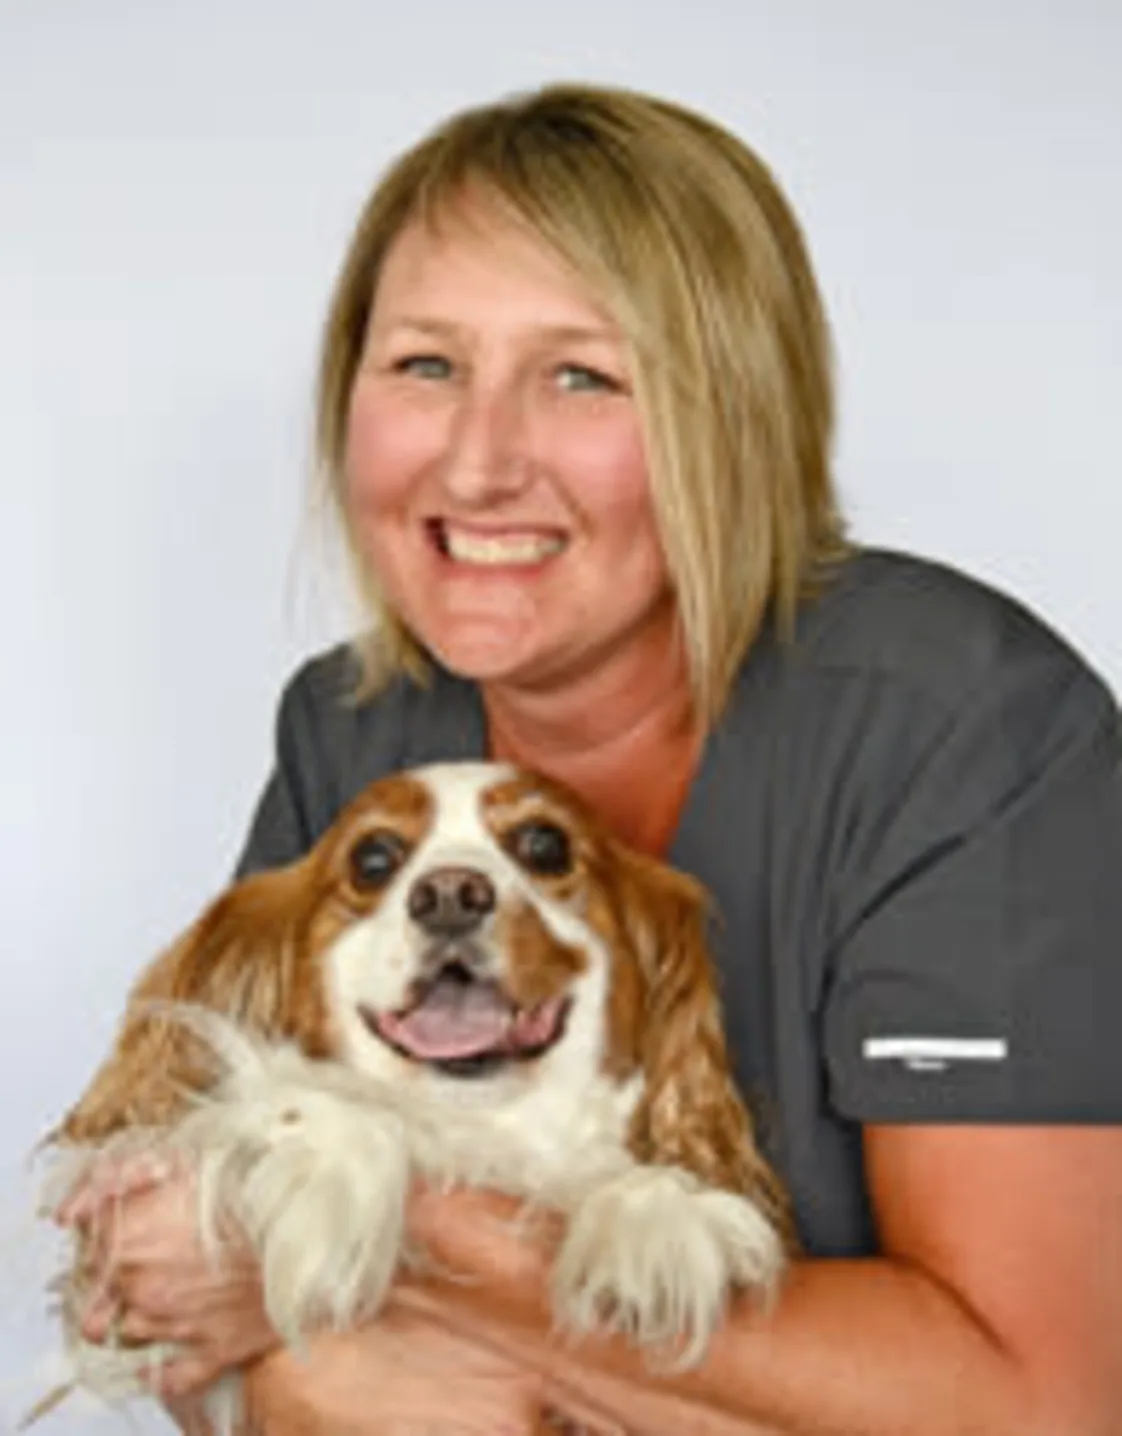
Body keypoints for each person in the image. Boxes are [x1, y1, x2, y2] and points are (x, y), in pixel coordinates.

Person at [58, 81, 1122, 1434]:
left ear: (727, 418)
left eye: (582, 377)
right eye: (425, 366)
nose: (480, 462)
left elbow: (1041, 1408)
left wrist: (404, 1242)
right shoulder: (352, 727)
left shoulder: (962, 726)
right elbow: (181, 1307)